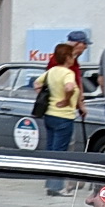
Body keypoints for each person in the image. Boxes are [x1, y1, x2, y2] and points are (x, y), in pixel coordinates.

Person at [40, 42, 82, 194]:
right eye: (72, 55)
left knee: (51, 150)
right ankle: (56, 187)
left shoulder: (51, 71)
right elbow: (69, 87)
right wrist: (66, 99)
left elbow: (37, 84)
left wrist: (49, 95)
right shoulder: (68, 73)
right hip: (64, 116)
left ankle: (50, 184)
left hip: (49, 114)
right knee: (60, 152)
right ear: (68, 57)